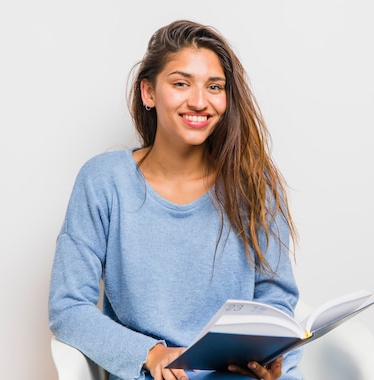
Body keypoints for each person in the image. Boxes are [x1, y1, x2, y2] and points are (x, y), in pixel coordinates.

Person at [48, 19, 303, 380]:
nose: (199, 101)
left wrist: (270, 356)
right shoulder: (104, 181)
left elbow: (276, 298)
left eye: (214, 86)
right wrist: (150, 353)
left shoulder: (254, 183)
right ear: (148, 93)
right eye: (181, 83)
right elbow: (68, 308)